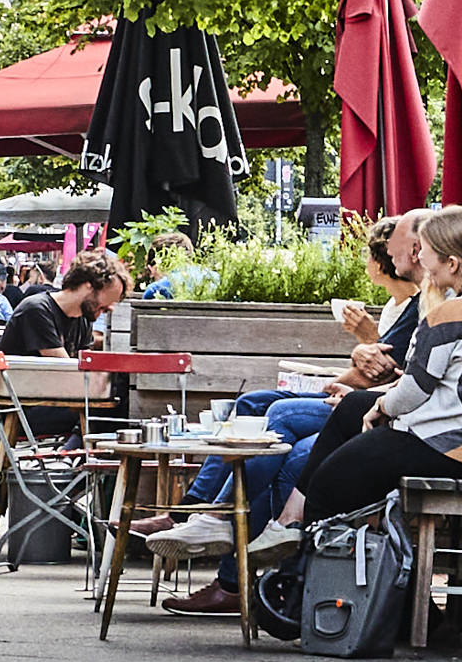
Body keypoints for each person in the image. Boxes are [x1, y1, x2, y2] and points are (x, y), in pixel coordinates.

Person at [143, 215, 423, 580]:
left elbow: (391, 375)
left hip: (386, 418)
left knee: (282, 428)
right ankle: (217, 534)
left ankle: (223, 542)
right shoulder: (415, 307)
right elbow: (395, 374)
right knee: (262, 411)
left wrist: (358, 369)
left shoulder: (429, 308)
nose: (385, 254)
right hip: (375, 409)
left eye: (388, 250)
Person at [298, 206, 462, 522]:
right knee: (353, 407)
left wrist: (381, 406)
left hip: (449, 447)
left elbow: (413, 391)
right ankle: (289, 524)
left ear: (451, 263)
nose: (421, 261)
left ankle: (301, 561)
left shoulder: (449, 315)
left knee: (326, 488)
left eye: (425, 253)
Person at [0, 249, 129, 358]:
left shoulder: (83, 316)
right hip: (20, 388)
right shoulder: (36, 309)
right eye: (109, 297)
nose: (111, 307)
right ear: (88, 286)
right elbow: (64, 369)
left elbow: (85, 363)